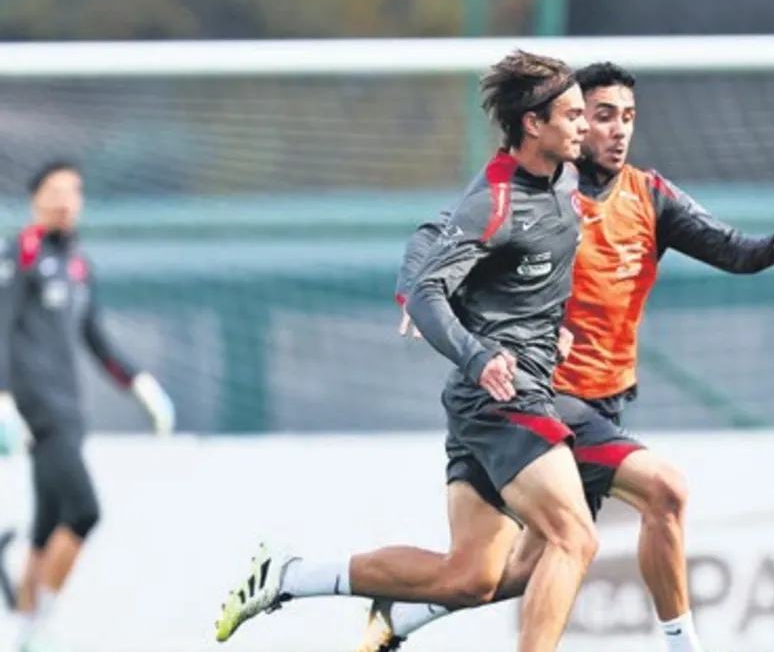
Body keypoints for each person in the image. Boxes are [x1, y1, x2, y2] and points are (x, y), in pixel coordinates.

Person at [361, 61, 774, 652]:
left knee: (497, 575)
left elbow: (730, 249)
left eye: (627, 117)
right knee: (660, 494)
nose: (615, 129)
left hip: (599, 402)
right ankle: (683, 646)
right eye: (598, 116)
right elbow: (434, 234)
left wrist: (772, 248)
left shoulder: (648, 196)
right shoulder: (541, 185)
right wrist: (413, 293)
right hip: (541, 400)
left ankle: (391, 614)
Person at [213, 50, 594, 652]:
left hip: (504, 396)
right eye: (572, 114)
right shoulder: (493, 200)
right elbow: (427, 278)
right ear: (532, 123)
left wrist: (556, 326)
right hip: (501, 398)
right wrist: (477, 355)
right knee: (576, 537)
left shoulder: (567, 178)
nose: (586, 125)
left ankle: (291, 576)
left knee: (471, 578)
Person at [0, 160, 176, 652]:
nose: (64, 201)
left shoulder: (78, 263)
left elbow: (95, 338)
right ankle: (39, 623)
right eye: (54, 191)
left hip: (70, 410)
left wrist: (139, 384)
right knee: (83, 511)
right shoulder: (20, 254)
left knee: (45, 527)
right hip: (38, 411)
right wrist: (3, 399)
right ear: (35, 199)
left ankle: (23, 627)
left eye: (72, 191)